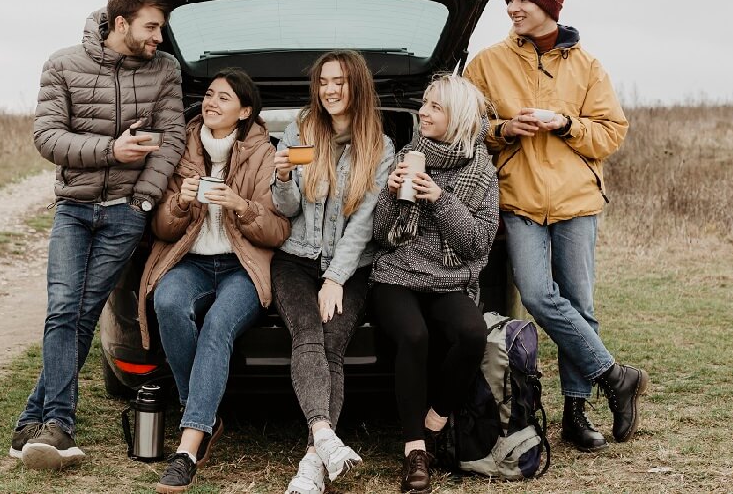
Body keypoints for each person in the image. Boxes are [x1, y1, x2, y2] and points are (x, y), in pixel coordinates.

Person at [464, 0, 649, 453]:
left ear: (550, 6)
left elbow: (611, 133)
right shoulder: (486, 63)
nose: (512, 9)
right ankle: (615, 375)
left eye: (522, 0)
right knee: (538, 294)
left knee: (580, 305)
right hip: (519, 200)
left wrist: (564, 123)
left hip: (576, 203)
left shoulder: (587, 67)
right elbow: (465, 127)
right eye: (509, 1)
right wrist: (503, 130)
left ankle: (575, 410)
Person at [10, 0, 185, 470]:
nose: (159, 38)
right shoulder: (63, 64)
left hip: (127, 212)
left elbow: (171, 139)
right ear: (121, 23)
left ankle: (38, 423)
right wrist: (112, 150)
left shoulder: (165, 69)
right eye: (152, 27)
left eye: (162, 29)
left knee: (80, 312)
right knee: (66, 310)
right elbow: (47, 138)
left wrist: (144, 202)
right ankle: (56, 424)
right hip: (74, 208)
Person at [137, 68, 291, 493]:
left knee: (219, 323)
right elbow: (163, 230)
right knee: (166, 302)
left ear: (244, 112)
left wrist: (241, 206)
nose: (211, 102)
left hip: (242, 265)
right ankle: (203, 414)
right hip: (190, 262)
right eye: (208, 94)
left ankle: (187, 448)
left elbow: (278, 231)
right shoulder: (180, 148)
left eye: (224, 98)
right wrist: (180, 204)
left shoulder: (264, 154)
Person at [271, 49, 395, 494]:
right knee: (306, 332)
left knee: (332, 345)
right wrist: (282, 179)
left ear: (357, 85)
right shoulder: (301, 129)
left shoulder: (380, 147)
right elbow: (284, 211)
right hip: (295, 259)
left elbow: (364, 223)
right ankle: (324, 437)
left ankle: (311, 465)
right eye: (323, 82)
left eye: (339, 81)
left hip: (350, 267)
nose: (330, 90)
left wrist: (336, 278)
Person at [370, 73, 499, 493]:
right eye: (424, 103)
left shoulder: (482, 172)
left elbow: (477, 243)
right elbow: (382, 236)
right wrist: (391, 194)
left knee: (471, 333)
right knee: (413, 335)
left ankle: (437, 418)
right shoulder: (408, 154)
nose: (422, 112)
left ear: (457, 116)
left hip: (449, 278)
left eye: (434, 107)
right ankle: (415, 452)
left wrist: (440, 200)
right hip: (397, 274)